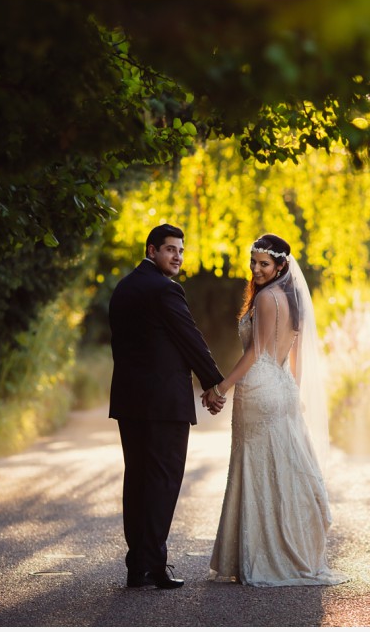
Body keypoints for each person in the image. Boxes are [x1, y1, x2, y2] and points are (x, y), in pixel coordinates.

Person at [202, 234, 348, 587]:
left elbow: (256, 354)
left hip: (259, 388)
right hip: (281, 388)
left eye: (263, 263)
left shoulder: (267, 298)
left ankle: (264, 554)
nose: (256, 269)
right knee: (281, 468)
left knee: (255, 468)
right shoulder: (291, 299)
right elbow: (292, 357)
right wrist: (291, 391)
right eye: (253, 262)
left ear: (281, 266)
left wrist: (221, 386)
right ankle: (284, 547)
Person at [109, 223, 227, 590]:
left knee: (139, 479)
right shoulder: (166, 290)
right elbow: (190, 339)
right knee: (161, 481)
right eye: (170, 249)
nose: (177, 256)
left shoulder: (124, 288)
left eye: (180, 250)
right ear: (151, 251)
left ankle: (138, 567)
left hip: (130, 401)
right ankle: (154, 566)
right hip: (163, 404)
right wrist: (214, 383)